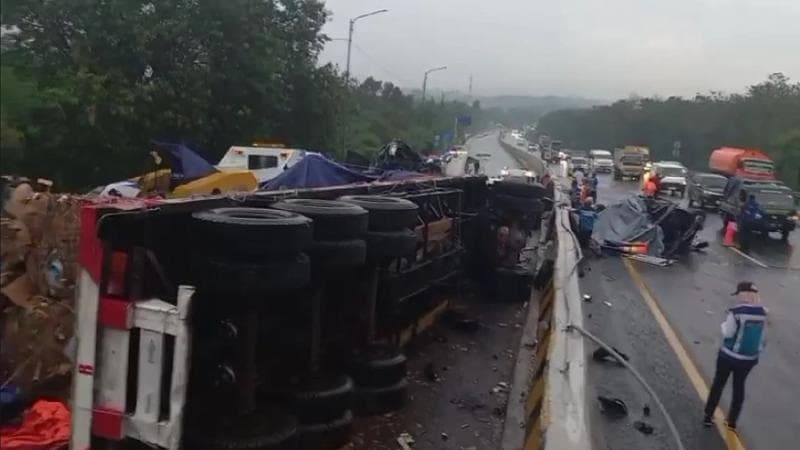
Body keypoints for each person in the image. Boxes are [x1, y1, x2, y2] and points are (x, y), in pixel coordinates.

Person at [703, 282, 767, 431]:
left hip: (729, 356)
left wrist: (723, 324)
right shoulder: (763, 313)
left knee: (719, 384)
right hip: (749, 359)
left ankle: (708, 415)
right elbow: (762, 337)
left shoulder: (737, 311)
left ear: (743, 294)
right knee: (739, 387)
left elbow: (728, 333)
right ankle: (732, 421)